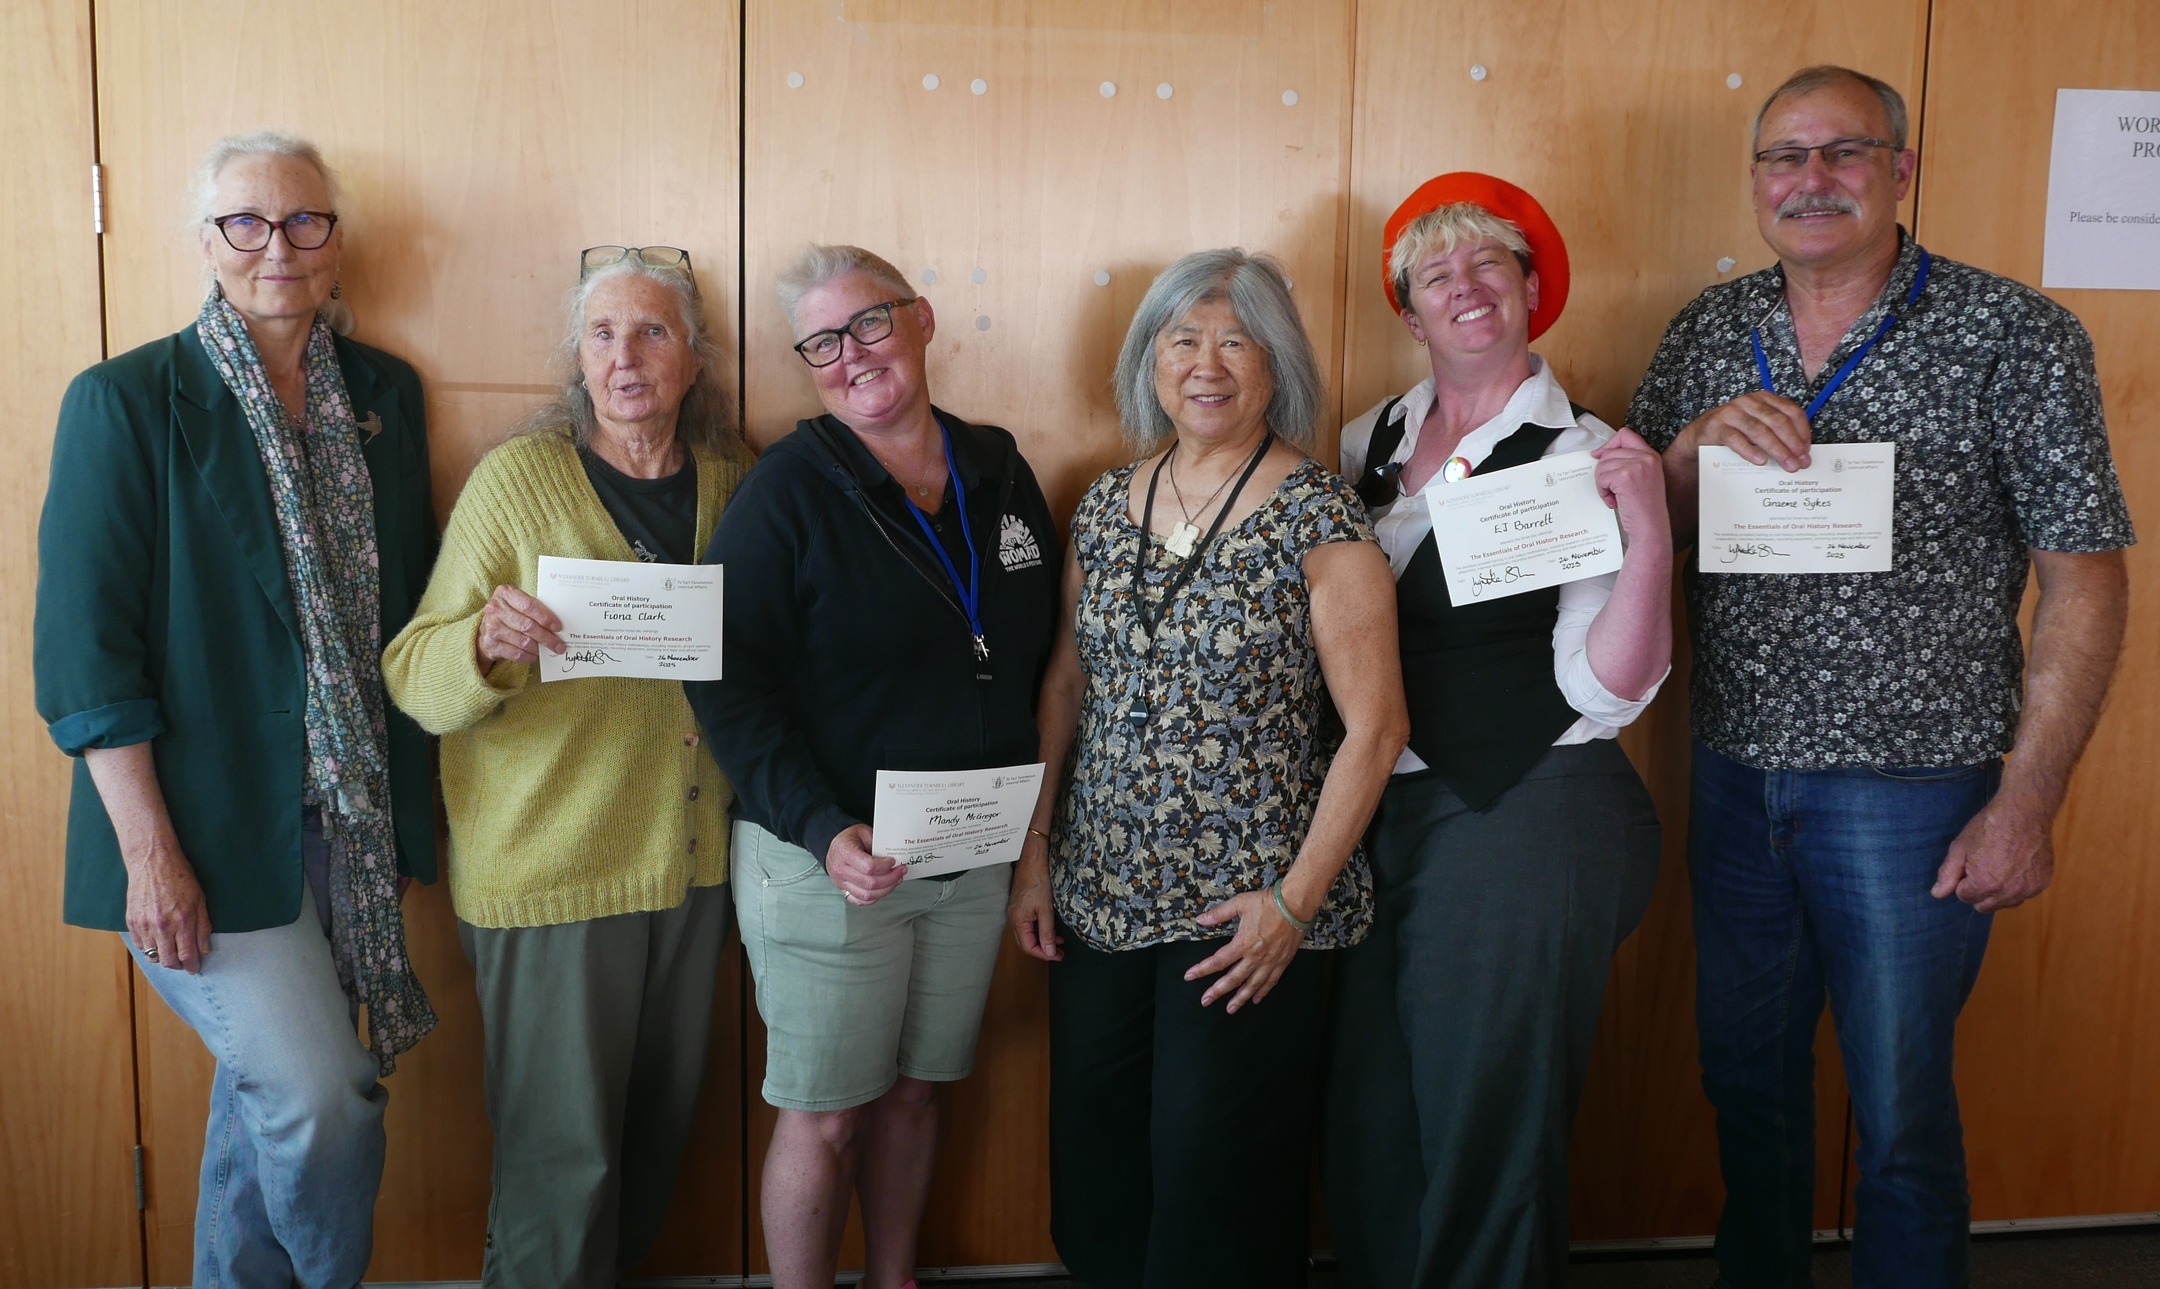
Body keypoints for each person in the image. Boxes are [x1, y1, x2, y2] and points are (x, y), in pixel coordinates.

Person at [1629, 66, 2133, 1289]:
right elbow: (1635, 533)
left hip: (1919, 790)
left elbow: (2086, 582)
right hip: (1737, 772)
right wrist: (1687, 452)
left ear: (1900, 171)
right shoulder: (1707, 330)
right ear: (1755, 181)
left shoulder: (2015, 335)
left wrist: (2027, 800)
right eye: (1783, 158)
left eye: (1843, 153)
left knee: (1901, 1113)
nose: (1811, 181)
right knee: (1746, 1084)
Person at [33, 130, 436, 1287]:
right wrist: (150, 855)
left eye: (305, 221)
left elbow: (401, 613)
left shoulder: (381, 396)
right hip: (199, 838)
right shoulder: (125, 401)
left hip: (344, 829)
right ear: (205, 242)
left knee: (263, 1109)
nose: (277, 247)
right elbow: (85, 655)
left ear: (337, 240)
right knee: (322, 1101)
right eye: (244, 223)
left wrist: (399, 816)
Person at [1006, 248, 1408, 1289]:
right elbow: (1064, 686)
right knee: (1098, 1165)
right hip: (1099, 894)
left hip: (1247, 911)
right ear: (1151, 358)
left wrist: (1293, 902)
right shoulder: (1101, 504)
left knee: (1216, 1177)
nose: (1207, 364)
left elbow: (1376, 727)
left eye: (1238, 341)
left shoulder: (1319, 514)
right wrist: (1036, 853)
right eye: (1184, 338)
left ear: (1278, 366)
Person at [685, 244, 1059, 1289]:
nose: (851, 356)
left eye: (870, 325)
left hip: (969, 854)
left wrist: (1027, 845)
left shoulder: (999, 469)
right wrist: (816, 823)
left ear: (924, 319)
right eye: (822, 343)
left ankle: (893, 1279)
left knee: (914, 1093)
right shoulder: (787, 492)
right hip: (831, 859)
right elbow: (725, 681)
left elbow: (1034, 655)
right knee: (827, 1112)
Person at [1323, 174, 1670, 1289]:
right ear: (1408, 307)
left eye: (1490, 265)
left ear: (1531, 289)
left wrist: (1653, 534)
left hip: (1529, 809)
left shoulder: (1586, 451)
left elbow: (1602, 687)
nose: (1465, 288)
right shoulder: (1364, 439)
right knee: (1377, 1108)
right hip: (1382, 808)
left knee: (1491, 1121)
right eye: (1438, 273)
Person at [381, 246, 746, 1288]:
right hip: (550, 869)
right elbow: (414, 674)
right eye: (602, 334)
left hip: (688, 869)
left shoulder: (734, 481)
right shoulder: (520, 479)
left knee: (651, 1140)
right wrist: (486, 645)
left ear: (694, 357)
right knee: (562, 1159)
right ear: (577, 357)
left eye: (652, 332)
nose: (625, 357)